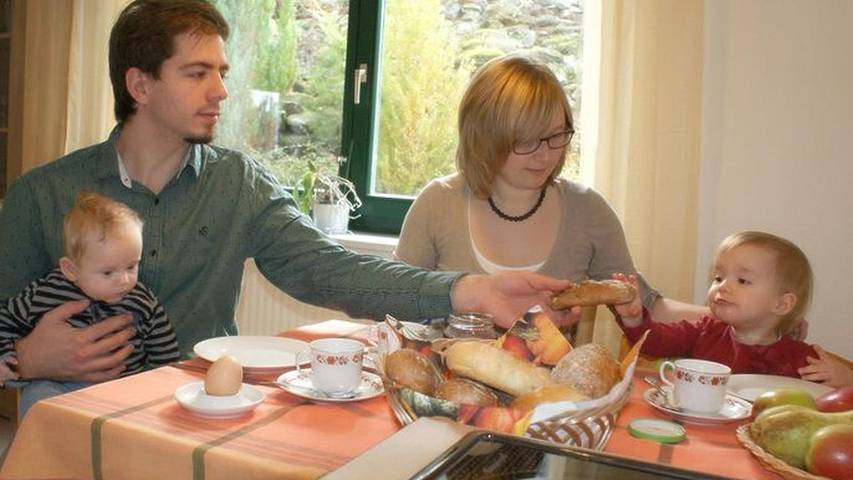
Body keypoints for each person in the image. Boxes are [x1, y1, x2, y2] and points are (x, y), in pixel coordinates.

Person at [0, 0, 569, 390]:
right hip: (69, 416)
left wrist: (471, 290)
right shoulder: (40, 196)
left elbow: (331, 271)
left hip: (205, 412)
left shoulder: (239, 183)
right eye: (197, 73)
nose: (221, 91)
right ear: (140, 84)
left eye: (221, 71)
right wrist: (24, 359)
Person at [395, 54, 707, 326]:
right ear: (485, 137)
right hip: (445, 375)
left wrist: (722, 316)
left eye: (556, 136)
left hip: (554, 379)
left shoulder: (588, 211)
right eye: (526, 141)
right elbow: (395, 303)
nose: (544, 155)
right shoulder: (438, 204)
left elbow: (649, 306)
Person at [0, 191, 179, 416]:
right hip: (58, 388)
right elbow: (5, 319)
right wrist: (6, 356)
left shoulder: (142, 300)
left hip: (122, 390)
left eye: (131, 266)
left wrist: (162, 388)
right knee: (37, 399)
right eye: (108, 272)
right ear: (71, 270)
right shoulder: (45, 292)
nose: (124, 280)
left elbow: (165, 351)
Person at [612, 231, 850, 386]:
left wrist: (846, 379)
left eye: (743, 281)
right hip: (699, 435)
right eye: (718, 277)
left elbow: (836, 407)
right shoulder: (703, 331)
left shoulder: (801, 359)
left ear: (781, 304)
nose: (722, 286)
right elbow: (654, 342)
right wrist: (634, 318)